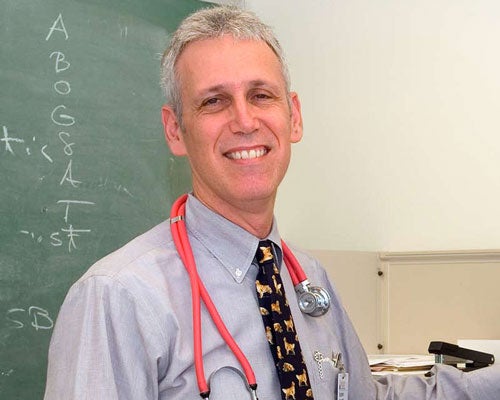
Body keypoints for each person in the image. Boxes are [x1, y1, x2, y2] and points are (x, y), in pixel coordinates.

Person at [44, 5, 500, 400]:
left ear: (293, 116)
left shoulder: (309, 280)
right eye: (214, 101)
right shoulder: (118, 298)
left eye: (261, 95)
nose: (244, 120)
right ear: (175, 130)